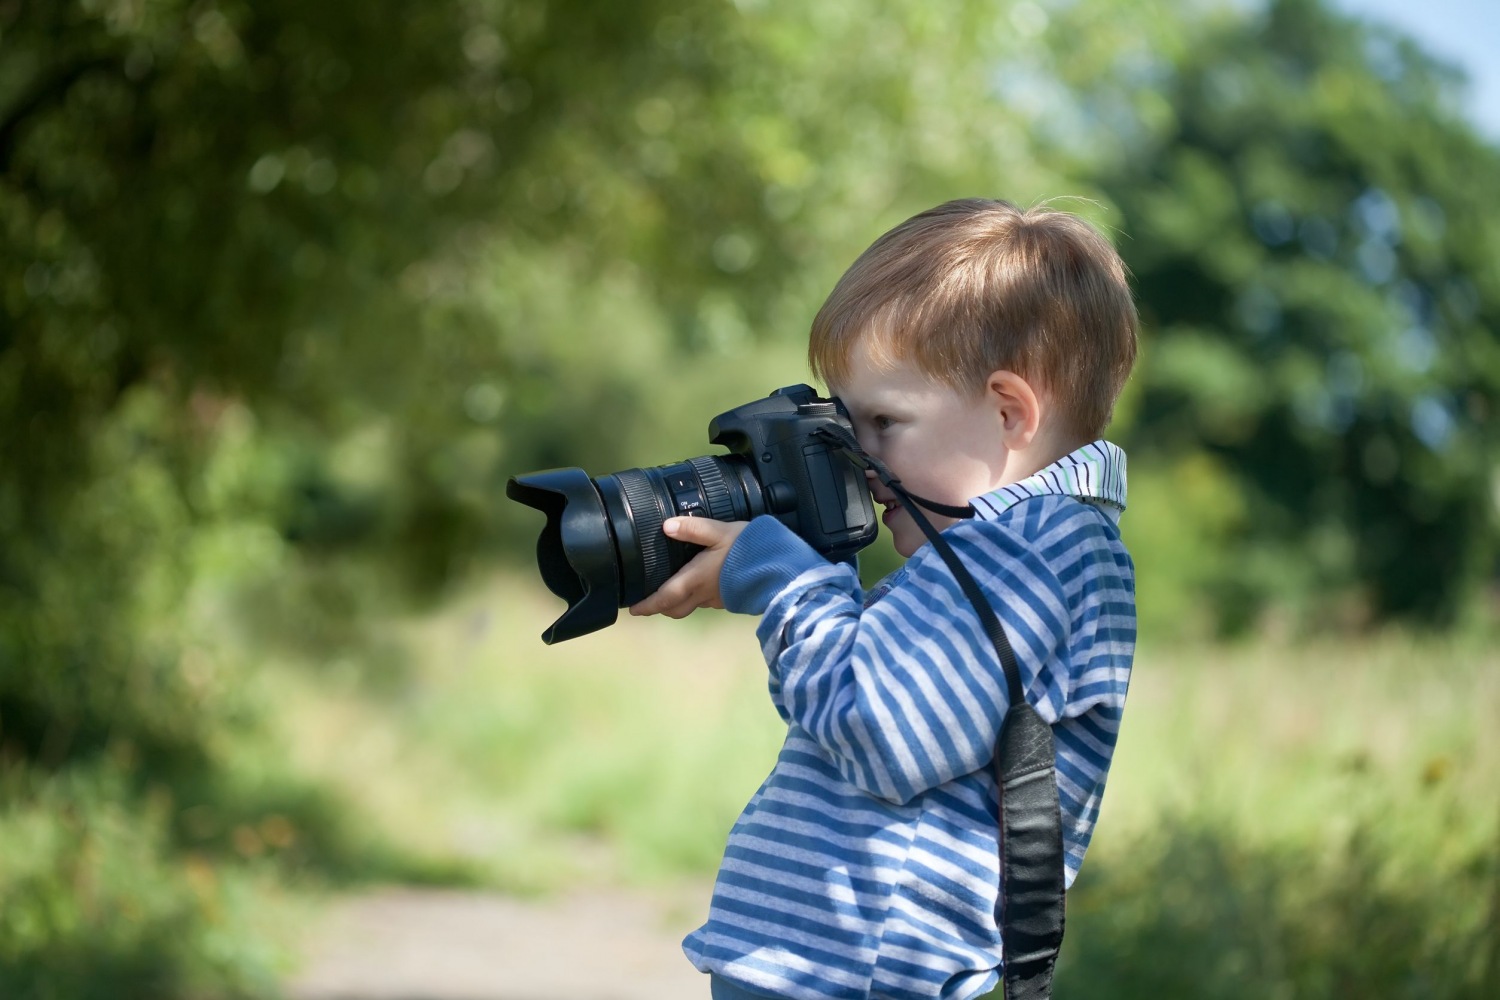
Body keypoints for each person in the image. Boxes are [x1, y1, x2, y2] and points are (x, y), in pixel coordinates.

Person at [630, 197, 1139, 1000]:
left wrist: (783, 577)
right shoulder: (989, 552)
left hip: (857, 980)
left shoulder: (1042, 550)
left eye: (881, 422)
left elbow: (879, 729)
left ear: (1009, 412)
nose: (857, 461)